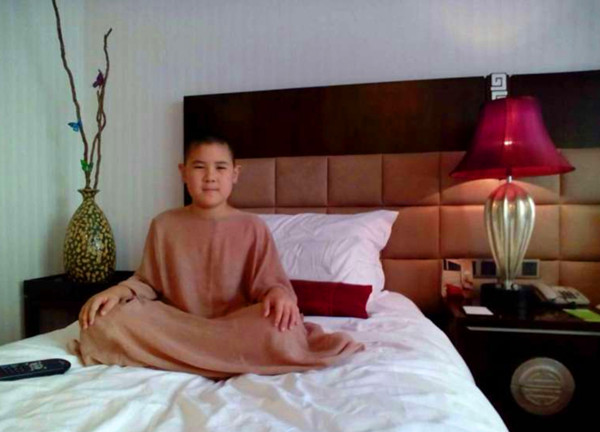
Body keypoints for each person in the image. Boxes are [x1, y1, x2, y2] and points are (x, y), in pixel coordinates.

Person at [71, 137, 364, 379]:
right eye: (199, 167)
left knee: (283, 330)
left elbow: (270, 284)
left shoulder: (252, 227)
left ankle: (181, 356)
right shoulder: (164, 224)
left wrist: (279, 294)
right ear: (183, 172)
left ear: (234, 174)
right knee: (103, 321)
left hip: (235, 326)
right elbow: (147, 282)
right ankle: (220, 359)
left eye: (220, 167)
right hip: (178, 324)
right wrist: (118, 290)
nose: (210, 176)